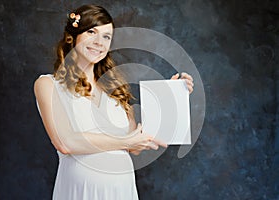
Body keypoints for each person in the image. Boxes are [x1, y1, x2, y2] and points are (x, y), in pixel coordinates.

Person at [34, 4, 194, 200]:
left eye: (106, 36)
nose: (99, 42)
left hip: (122, 191)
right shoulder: (48, 84)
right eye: (92, 32)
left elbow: (135, 145)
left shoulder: (115, 89)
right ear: (72, 36)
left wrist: (168, 95)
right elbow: (65, 142)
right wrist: (124, 141)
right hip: (80, 191)